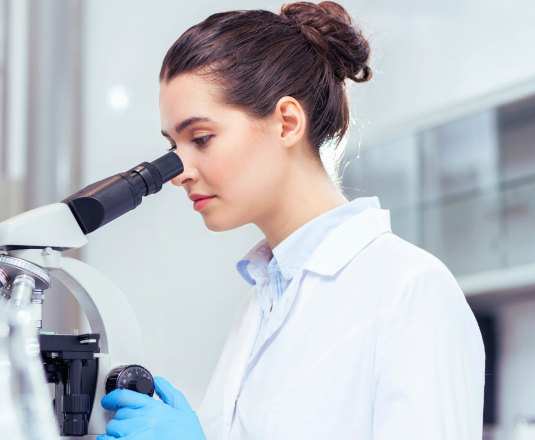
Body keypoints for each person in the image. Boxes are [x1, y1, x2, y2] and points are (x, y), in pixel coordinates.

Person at [96, 2, 486, 440]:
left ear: (286, 123)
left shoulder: (410, 290)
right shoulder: (263, 299)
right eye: (174, 146)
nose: (179, 172)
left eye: (201, 138)